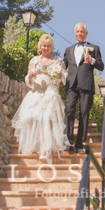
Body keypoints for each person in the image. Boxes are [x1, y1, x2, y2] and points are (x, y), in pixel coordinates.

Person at [11, 34, 70, 162]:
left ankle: (45, 148)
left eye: (48, 46)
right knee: (31, 117)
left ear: (51, 47)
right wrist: (31, 76)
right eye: (44, 46)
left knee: (47, 119)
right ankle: (34, 145)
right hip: (37, 92)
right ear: (40, 46)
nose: (46, 48)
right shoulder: (34, 61)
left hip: (50, 93)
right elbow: (27, 79)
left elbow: (65, 77)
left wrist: (60, 75)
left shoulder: (57, 60)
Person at [64, 23, 104, 153]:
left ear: (86, 33)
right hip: (71, 84)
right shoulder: (68, 50)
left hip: (86, 84)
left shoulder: (94, 48)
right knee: (69, 110)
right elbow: (62, 68)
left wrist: (92, 60)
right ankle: (68, 142)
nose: (79, 34)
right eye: (77, 32)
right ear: (75, 34)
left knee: (84, 113)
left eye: (82, 31)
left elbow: (101, 66)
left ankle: (80, 143)